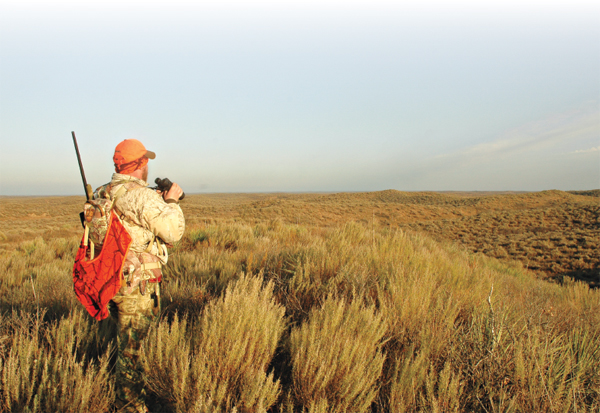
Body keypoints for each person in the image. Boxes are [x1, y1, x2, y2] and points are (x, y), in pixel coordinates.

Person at [93, 139, 185, 412]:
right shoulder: (139, 196)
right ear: (142, 164)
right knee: (132, 352)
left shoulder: (102, 192)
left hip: (109, 280)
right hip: (137, 287)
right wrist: (171, 202)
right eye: (146, 161)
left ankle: (109, 392)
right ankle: (131, 406)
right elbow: (173, 233)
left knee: (116, 345)